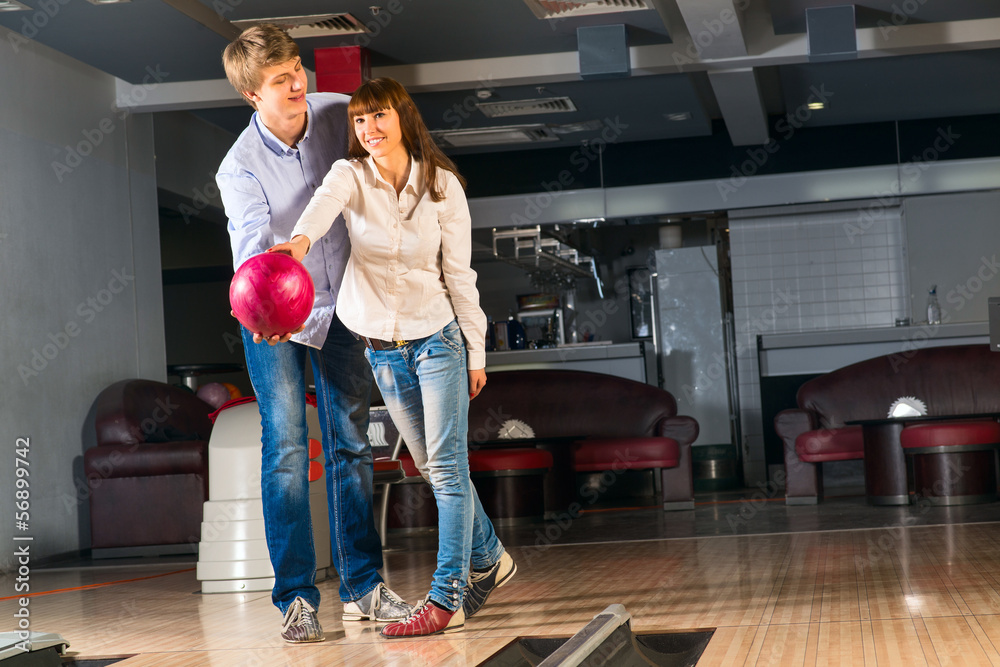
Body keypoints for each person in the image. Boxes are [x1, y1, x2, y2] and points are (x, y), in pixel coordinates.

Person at [271, 77, 516, 638]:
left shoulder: (443, 187)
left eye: (379, 116)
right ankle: (492, 557)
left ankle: (446, 596)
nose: (369, 129)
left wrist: (477, 352)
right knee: (430, 468)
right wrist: (298, 247)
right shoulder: (350, 176)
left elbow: (460, 275)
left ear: (403, 118)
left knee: (449, 469)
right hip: (382, 350)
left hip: (438, 339)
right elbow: (320, 214)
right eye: (359, 120)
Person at [216, 25, 412, 643]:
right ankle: (296, 598)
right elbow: (252, 252)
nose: (298, 82)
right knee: (286, 455)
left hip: (343, 308)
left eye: (298, 67)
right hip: (272, 315)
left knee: (351, 443)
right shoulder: (238, 169)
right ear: (253, 94)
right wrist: (269, 310)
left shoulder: (337, 116)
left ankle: (364, 587)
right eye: (281, 79)